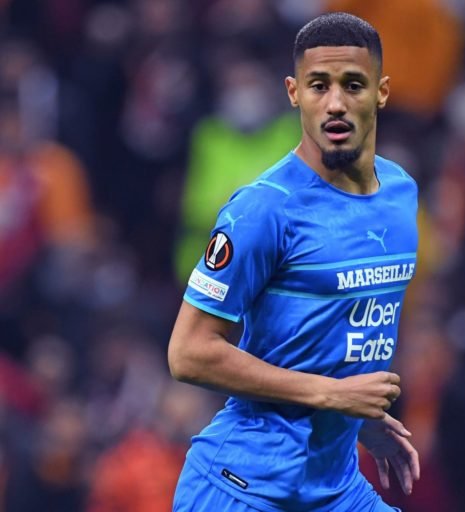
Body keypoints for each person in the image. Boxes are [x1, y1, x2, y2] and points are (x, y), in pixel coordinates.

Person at [167, 12, 420, 512]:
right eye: (318, 85)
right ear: (294, 93)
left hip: (334, 485)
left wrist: (356, 421)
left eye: (353, 85)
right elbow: (188, 353)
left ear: (382, 92)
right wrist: (332, 396)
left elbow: (329, 335)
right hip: (241, 486)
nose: (335, 103)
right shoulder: (263, 209)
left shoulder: (401, 194)